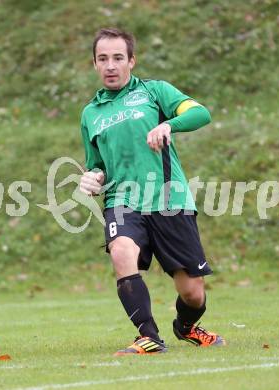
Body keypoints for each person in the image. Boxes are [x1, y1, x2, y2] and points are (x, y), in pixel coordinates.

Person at [79, 27, 225, 355]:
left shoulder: (154, 92)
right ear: (95, 65)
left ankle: (186, 327)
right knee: (121, 251)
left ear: (132, 60)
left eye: (118, 58)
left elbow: (200, 112)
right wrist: (91, 179)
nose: (111, 65)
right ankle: (148, 336)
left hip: (169, 200)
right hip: (123, 200)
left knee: (193, 292)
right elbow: (96, 165)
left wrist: (168, 124)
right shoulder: (91, 114)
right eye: (103, 59)